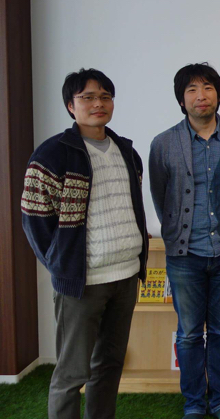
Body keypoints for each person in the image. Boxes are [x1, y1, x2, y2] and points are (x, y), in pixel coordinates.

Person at [21, 69, 149, 419]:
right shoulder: (52, 155)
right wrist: (62, 263)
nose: (98, 103)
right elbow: (35, 220)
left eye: (105, 96)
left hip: (126, 276)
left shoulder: (127, 152)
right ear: (70, 105)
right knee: (72, 373)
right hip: (82, 282)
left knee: (109, 365)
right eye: (88, 97)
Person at [149, 63, 220, 419]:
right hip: (185, 255)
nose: (200, 96)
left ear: (218, 94)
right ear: (181, 99)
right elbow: (161, 198)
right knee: (189, 333)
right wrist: (177, 232)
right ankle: (193, 402)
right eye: (191, 89)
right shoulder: (163, 143)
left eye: (207, 88)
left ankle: (219, 400)